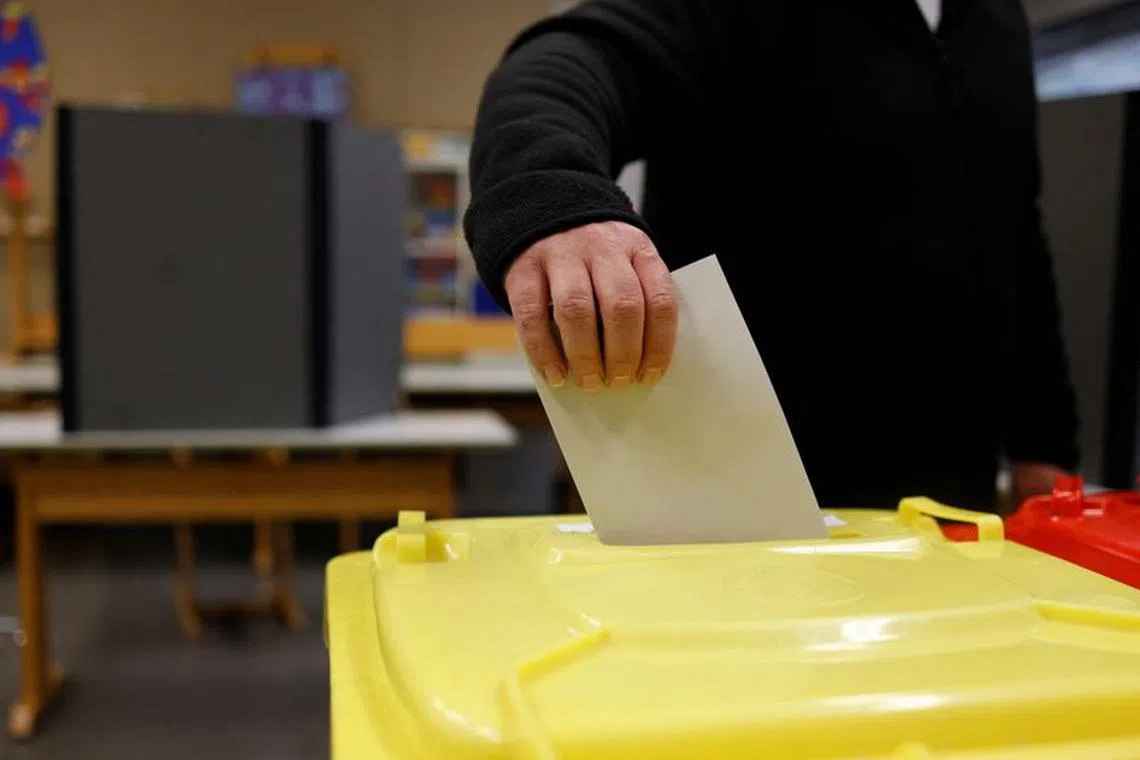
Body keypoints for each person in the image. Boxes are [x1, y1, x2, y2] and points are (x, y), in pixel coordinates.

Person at [463, 0, 1079, 512]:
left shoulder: (997, 18)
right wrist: (555, 200)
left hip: (945, 515)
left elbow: (1016, 234)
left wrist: (1045, 444)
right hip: (737, 509)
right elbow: (567, 63)